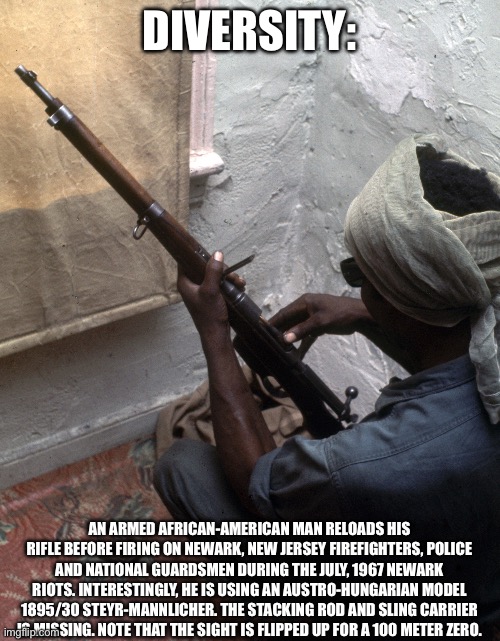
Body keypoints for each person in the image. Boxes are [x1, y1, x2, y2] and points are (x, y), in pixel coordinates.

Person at [154, 134, 500, 623]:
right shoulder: (486, 319)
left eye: (362, 277)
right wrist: (364, 311)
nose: (351, 282)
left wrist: (213, 330)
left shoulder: (369, 463)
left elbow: (258, 485)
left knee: (184, 466)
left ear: (412, 304)